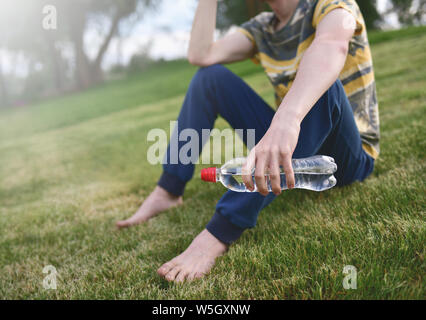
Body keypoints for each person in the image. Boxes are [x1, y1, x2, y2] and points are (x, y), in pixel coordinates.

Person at [117, 0, 380, 282]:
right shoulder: (263, 28)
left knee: (326, 86)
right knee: (210, 77)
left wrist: (287, 119)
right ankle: (168, 190)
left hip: (346, 157)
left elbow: (331, 46)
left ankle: (220, 231)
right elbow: (201, 54)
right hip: (293, 147)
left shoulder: (332, 5)